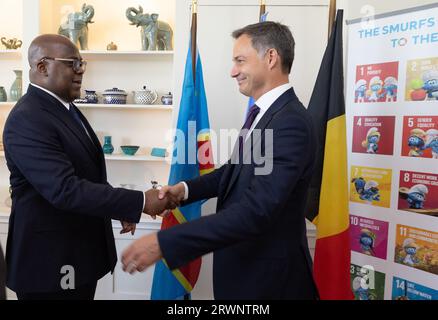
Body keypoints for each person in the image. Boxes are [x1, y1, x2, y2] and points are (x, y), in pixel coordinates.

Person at [122, 22, 319, 300]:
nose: (233, 71)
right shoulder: (267, 113)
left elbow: (256, 211)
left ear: (271, 58)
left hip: (269, 283)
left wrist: (164, 242)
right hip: (244, 274)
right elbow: (233, 172)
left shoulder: (290, 124)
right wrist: (183, 191)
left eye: (240, 61)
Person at [3, 34, 172, 300]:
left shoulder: (65, 108)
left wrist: (119, 208)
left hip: (76, 256)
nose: (81, 70)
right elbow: (65, 189)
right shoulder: (28, 118)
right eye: (72, 63)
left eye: (82, 63)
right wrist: (138, 202)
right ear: (42, 66)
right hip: (49, 265)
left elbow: (84, 173)